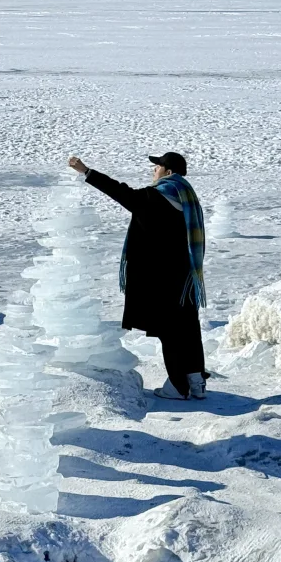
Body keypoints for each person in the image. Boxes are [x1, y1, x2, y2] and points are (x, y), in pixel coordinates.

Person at [67, 150, 208, 401]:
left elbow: (122, 193)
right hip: (186, 275)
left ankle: (177, 386)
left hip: (162, 277)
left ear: (168, 171)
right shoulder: (188, 196)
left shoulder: (157, 196)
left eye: (157, 167)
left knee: (170, 331)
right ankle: (196, 382)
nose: (153, 171)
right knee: (187, 327)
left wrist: (87, 172)